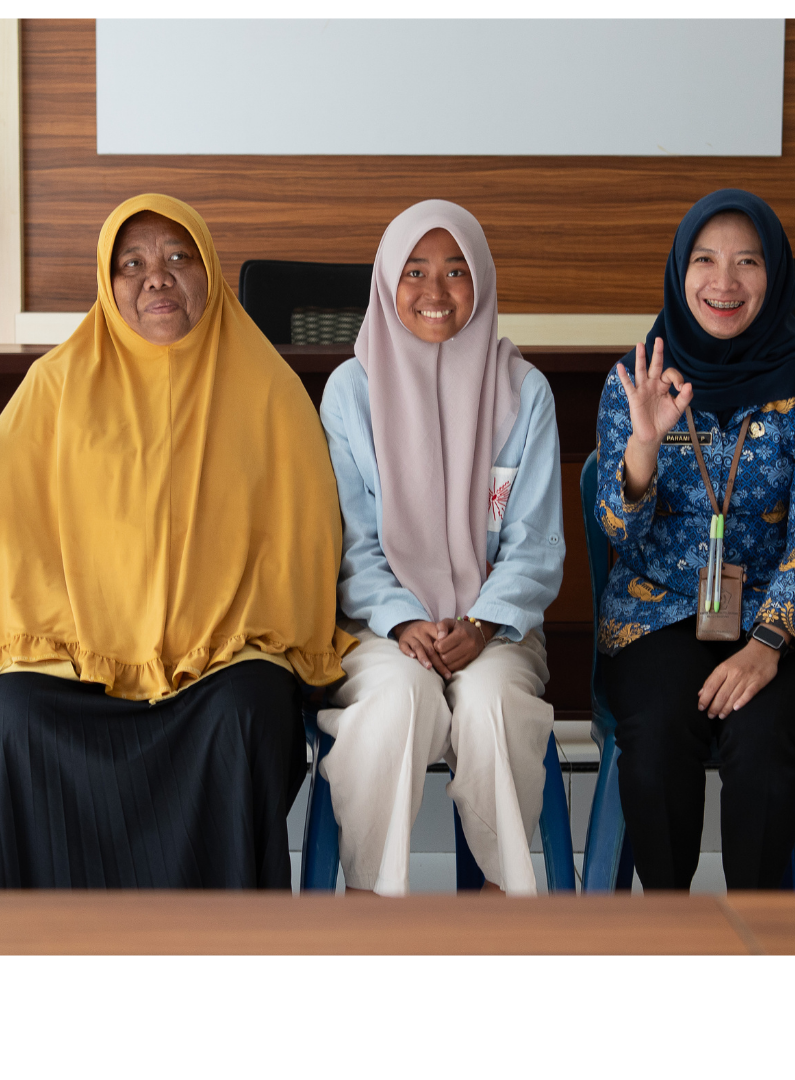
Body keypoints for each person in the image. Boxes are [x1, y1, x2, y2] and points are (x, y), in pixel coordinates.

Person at [0, 193, 353, 889]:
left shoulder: (269, 387)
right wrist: (80, 636)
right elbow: (7, 527)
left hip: (222, 656)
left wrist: (233, 632)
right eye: (132, 264)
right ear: (107, 283)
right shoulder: (54, 385)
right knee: (18, 713)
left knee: (249, 708)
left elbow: (303, 536)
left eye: (178, 257)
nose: (157, 278)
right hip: (80, 655)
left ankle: (224, 935)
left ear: (210, 273)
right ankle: (43, 936)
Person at [594, 189, 795, 890]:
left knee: (763, 744)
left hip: (785, 621)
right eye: (705, 260)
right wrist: (643, 446)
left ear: (776, 275)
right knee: (656, 740)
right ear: (680, 272)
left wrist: (767, 644)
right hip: (657, 611)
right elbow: (618, 531)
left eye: (748, 261)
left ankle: (755, 927)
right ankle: (673, 926)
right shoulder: (637, 380)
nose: (725, 281)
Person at [316, 200, 563, 897]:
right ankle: (371, 905)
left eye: (456, 271)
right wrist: (402, 619)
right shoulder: (350, 392)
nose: (435, 290)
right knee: (397, 702)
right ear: (386, 282)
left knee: (493, 707)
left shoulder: (524, 393)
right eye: (415, 271)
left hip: (499, 629)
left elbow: (534, 543)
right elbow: (350, 543)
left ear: (481, 280)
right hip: (379, 630)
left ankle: (499, 906)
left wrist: (482, 623)